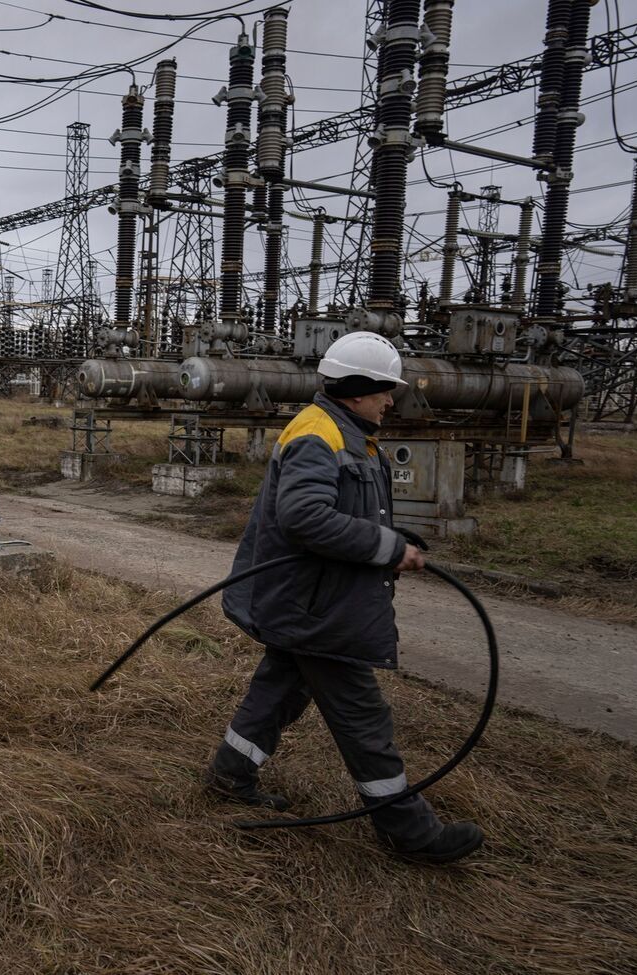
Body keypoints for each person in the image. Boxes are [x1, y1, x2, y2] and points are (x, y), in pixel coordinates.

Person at [207, 331, 484, 864]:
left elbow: (344, 510)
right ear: (358, 390)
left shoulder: (346, 431)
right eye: (385, 390)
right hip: (317, 610)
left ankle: (230, 773)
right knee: (364, 719)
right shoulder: (319, 435)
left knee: (279, 693)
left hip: (306, 602)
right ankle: (411, 833)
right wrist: (386, 547)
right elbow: (306, 517)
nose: (390, 400)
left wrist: (399, 540)